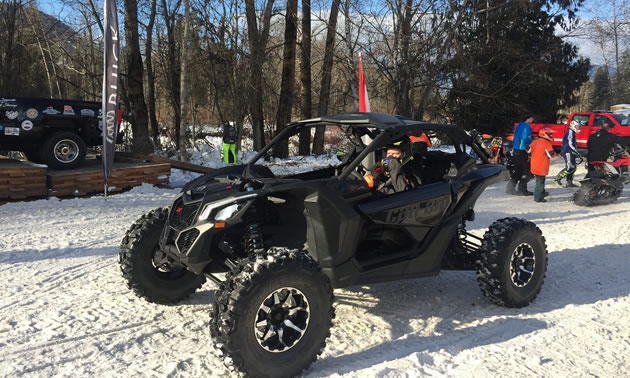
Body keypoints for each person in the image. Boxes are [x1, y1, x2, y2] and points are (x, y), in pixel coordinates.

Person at [506, 114, 535, 195]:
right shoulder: (526, 127)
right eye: (532, 118)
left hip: (515, 149)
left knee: (518, 169)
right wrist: (529, 148)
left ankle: (510, 187)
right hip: (522, 150)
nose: (533, 119)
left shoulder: (518, 125)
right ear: (528, 118)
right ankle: (522, 189)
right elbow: (526, 138)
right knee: (525, 170)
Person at [528, 128, 556, 203]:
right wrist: (554, 152)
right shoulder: (547, 143)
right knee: (540, 182)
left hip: (534, 165)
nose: (551, 135)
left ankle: (542, 192)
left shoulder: (535, 141)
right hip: (542, 166)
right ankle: (538, 197)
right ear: (544, 134)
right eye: (549, 134)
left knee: (539, 180)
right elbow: (551, 155)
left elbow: (528, 150)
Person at [553, 120, 581, 187]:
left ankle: (569, 182)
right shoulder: (570, 132)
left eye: (579, 127)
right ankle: (557, 179)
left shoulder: (572, 133)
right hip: (567, 151)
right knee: (569, 167)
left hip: (571, 152)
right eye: (577, 126)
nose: (578, 128)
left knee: (573, 167)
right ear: (573, 126)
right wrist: (576, 151)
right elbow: (569, 144)